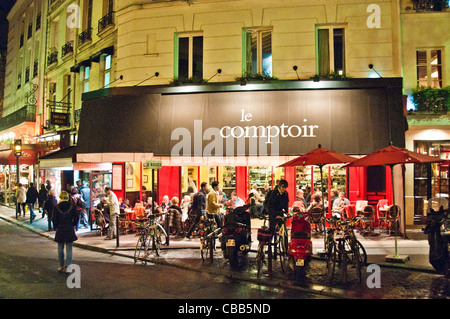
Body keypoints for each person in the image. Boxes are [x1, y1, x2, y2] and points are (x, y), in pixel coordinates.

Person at [52, 191, 79, 273]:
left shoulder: (56, 207)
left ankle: (61, 265)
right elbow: (76, 217)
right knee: (69, 248)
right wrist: (73, 224)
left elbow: (54, 219)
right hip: (69, 228)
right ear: (67, 197)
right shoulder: (72, 206)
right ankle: (68, 266)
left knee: (60, 248)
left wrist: (56, 226)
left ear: (60, 197)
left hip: (60, 228)